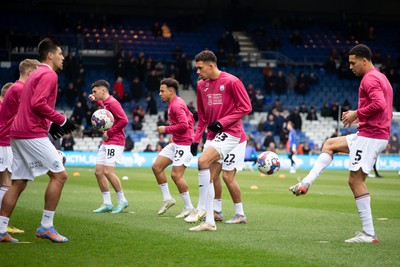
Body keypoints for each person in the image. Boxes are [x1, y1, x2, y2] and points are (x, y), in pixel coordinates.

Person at [289, 44, 393, 243]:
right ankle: (306, 182)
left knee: (356, 181)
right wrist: (361, 117)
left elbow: (379, 104)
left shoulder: (370, 78)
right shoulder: (381, 77)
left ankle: (369, 234)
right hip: (373, 133)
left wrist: (357, 113)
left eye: (353, 63)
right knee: (330, 144)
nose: (351, 67)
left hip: (371, 136)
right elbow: (381, 107)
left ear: (364, 60)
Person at [0, 38, 77, 243]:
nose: (63, 57)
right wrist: (61, 120)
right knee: (60, 176)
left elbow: (29, 105)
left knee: (18, 182)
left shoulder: (35, 75)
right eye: (60, 54)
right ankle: (46, 227)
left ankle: (0, 230)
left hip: (18, 133)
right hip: (30, 133)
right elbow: (37, 103)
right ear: (50, 55)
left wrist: (50, 127)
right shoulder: (48, 74)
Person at [186, 50, 252, 231]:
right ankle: (211, 219)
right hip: (213, 136)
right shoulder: (201, 86)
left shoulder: (232, 81)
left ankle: (206, 210)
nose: (197, 72)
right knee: (211, 178)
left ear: (211, 65)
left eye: (200, 68)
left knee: (219, 171)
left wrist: (222, 122)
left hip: (233, 134)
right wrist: (195, 139)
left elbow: (246, 107)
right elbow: (203, 116)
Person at [0, 60, 40, 236]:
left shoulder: (15, 88)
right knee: (7, 183)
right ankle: (2, 225)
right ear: (30, 73)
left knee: (7, 183)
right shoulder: (19, 89)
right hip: (4, 142)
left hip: (6, 141)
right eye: (37, 75)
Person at [152, 78, 195, 218]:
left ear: (171, 91)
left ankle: (189, 207)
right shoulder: (174, 103)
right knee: (157, 167)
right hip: (176, 142)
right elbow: (191, 119)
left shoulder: (176, 105)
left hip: (183, 144)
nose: (160, 93)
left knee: (176, 175)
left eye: (162, 91)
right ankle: (167, 199)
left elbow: (184, 125)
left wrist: (166, 129)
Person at [88, 79, 129, 214]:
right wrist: (95, 99)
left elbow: (124, 120)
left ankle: (122, 200)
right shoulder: (106, 103)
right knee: (98, 172)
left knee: (108, 171)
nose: (93, 93)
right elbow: (104, 106)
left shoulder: (113, 103)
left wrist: (109, 132)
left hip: (115, 141)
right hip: (107, 141)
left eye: (95, 91)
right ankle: (107, 203)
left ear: (103, 90)